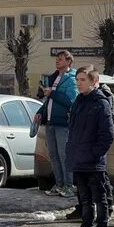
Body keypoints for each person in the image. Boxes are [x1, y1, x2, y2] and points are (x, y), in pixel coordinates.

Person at [63, 67, 114, 227]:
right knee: (84, 201)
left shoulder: (100, 103)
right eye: (77, 79)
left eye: (83, 80)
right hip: (79, 160)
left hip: (93, 163)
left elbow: (107, 135)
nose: (78, 83)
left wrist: (94, 154)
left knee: (100, 200)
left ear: (93, 82)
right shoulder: (79, 100)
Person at [34, 50, 79, 198]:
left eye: (61, 59)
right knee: (53, 155)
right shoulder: (53, 78)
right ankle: (59, 184)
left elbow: (71, 101)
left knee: (64, 155)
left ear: (68, 62)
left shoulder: (72, 79)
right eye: (57, 59)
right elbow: (49, 101)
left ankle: (69, 185)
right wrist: (40, 111)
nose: (57, 61)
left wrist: (52, 93)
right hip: (51, 122)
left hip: (63, 123)